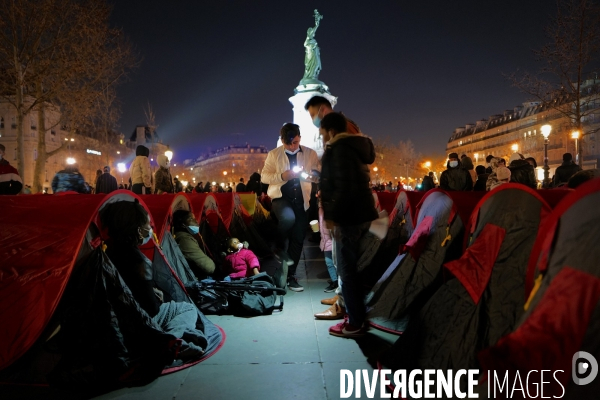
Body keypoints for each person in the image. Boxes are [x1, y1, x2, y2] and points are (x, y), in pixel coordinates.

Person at [101, 201, 206, 360]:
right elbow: (152, 309)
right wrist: (156, 297)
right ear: (138, 229)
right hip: (143, 323)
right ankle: (169, 341)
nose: (149, 229)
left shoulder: (107, 252)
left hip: (118, 324)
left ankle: (174, 340)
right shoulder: (138, 261)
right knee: (186, 308)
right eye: (147, 225)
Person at [318, 112, 378, 338]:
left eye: (322, 133)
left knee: (347, 271)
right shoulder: (357, 148)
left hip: (348, 217)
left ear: (330, 131)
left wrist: (332, 216)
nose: (322, 137)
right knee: (356, 269)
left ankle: (355, 323)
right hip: (363, 213)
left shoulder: (338, 149)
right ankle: (357, 314)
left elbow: (342, 187)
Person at [261, 123, 320, 292]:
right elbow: (264, 177)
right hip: (281, 197)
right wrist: (282, 176)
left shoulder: (310, 153)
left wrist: (313, 176)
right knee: (288, 218)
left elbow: (317, 174)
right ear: (282, 141)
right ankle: (278, 247)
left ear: (299, 138)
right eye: (289, 144)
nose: (293, 146)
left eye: (295, 142)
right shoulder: (274, 154)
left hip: (302, 200)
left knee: (299, 237)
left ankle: (291, 276)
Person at [172, 210, 215, 279]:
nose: (196, 222)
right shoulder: (185, 239)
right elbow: (208, 267)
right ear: (183, 224)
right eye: (191, 219)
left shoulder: (183, 236)